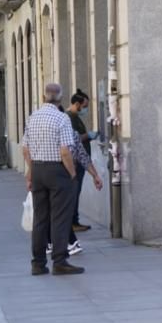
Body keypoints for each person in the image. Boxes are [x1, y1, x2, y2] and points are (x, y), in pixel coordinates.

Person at [22, 83, 100, 276]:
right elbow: (65, 151)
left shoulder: (33, 118)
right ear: (61, 98)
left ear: (43, 96)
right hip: (58, 171)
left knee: (40, 219)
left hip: (39, 169)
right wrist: (72, 174)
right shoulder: (61, 118)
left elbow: (25, 148)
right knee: (60, 218)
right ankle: (59, 261)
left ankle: (38, 264)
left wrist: (31, 172)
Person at [67, 89, 96, 233]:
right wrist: (89, 135)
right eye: (84, 106)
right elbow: (75, 139)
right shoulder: (69, 118)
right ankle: (73, 222)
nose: (85, 109)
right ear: (77, 104)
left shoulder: (74, 117)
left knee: (75, 192)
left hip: (79, 161)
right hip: (76, 162)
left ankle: (74, 221)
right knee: (74, 192)